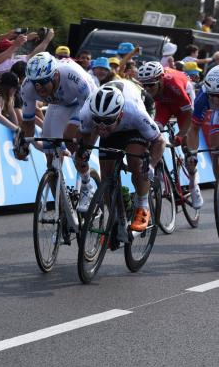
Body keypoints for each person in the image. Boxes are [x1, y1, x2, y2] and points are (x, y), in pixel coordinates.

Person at [66, 83, 164, 232]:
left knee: (135, 163)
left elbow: (159, 141)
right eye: (97, 121)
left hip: (134, 128)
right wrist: (82, 154)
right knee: (106, 176)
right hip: (113, 132)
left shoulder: (135, 112)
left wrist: (151, 165)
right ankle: (117, 217)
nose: (101, 126)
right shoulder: (87, 113)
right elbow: (85, 136)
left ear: (120, 115)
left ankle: (143, 206)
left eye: (106, 121)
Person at [14, 52, 98, 208]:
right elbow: (28, 122)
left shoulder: (74, 77)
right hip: (59, 105)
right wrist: (24, 144)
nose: (39, 88)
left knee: (69, 135)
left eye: (43, 82)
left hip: (84, 102)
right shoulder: (27, 87)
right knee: (51, 160)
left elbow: (87, 112)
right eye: (35, 83)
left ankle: (86, 184)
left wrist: (81, 147)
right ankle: (63, 212)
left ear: (55, 76)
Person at [136, 61, 200, 207]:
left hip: (183, 101)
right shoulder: (148, 88)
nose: (147, 88)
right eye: (144, 84)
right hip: (163, 104)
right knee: (153, 131)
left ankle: (193, 182)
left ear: (160, 79)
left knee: (186, 136)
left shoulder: (174, 84)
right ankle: (158, 169)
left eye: (150, 84)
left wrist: (180, 135)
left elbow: (188, 113)